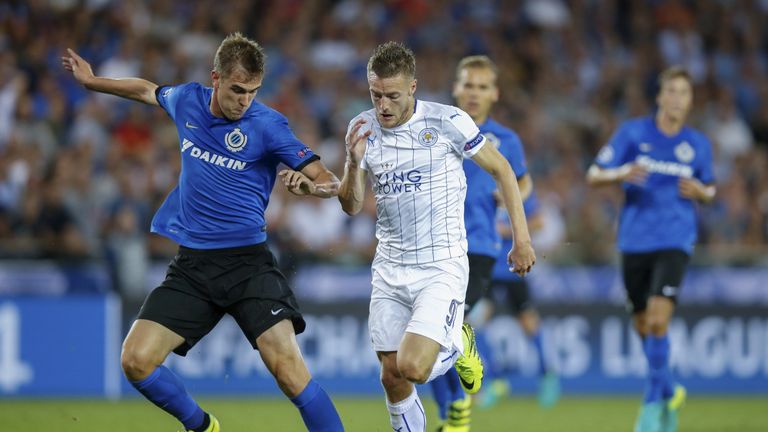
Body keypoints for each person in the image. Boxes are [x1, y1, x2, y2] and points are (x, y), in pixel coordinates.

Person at [62, 33, 345, 432]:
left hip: (249, 265)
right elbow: (147, 90)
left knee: (289, 372)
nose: (245, 99)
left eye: (252, 91)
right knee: (135, 361)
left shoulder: (267, 125)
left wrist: (312, 187)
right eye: (237, 89)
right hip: (193, 266)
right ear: (215, 78)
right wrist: (93, 83)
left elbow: (327, 178)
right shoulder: (187, 100)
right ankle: (203, 426)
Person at [336, 42, 535, 432]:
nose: (383, 106)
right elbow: (351, 205)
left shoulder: (448, 122)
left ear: (413, 88)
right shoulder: (361, 129)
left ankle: (459, 343)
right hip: (389, 267)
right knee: (391, 375)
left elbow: (504, 171)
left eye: (392, 96)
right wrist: (352, 162)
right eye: (376, 95)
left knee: (413, 366)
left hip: (440, 265)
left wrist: (521, 239)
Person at [586, 66, 716, 432]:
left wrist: (702, 193)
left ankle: (650, 402)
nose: (677, 98)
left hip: (675, 240)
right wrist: (621, 173)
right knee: (644, 325)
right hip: (633, 242)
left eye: (684, 93)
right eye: (671, 91)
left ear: (690, 102)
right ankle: (670, 388)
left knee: (659, 320)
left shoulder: (698, 144)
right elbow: (594, 173)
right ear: (660, 96)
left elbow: (711, 189)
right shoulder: (633, 133)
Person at [427, 55, 551, 431]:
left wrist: (511, 194)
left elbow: (524, 182)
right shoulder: (435, 127)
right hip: (433, 245)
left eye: (482, 86)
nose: (474, 93)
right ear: (456, 88)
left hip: (478, 246)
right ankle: (452, 412)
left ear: (495, 93)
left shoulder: (505, 141)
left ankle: (459, 407)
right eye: (468, 84)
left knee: (447, 326)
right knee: (427, 338)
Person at [475, 191, 560, 410]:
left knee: (528, 322)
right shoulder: (480, 189)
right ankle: (495, 380)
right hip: (487, 268)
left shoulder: (519, 191)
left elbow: (540, 222)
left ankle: (547, 376)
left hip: (514, 267)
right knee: (475, 323)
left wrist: (509, 231)